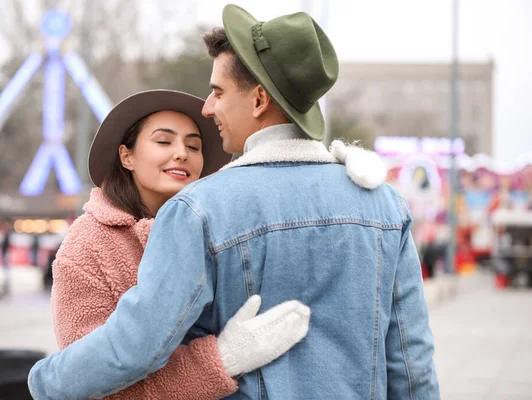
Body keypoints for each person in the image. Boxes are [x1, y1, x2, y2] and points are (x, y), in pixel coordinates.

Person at [29, 5, 439, 399]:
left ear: (259, 100)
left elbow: (136, 347)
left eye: (218, 92)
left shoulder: (200, 210)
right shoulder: (385, 205)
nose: (208, 108)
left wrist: (45, 381)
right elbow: (409, 358)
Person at [46, 89, 311, 400]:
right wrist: (222, 361)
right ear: (126, 156)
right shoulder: (88, 245)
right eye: (163, 141)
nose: (182, 153)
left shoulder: (219, 229)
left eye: (193, 146)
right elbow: (92, 385)